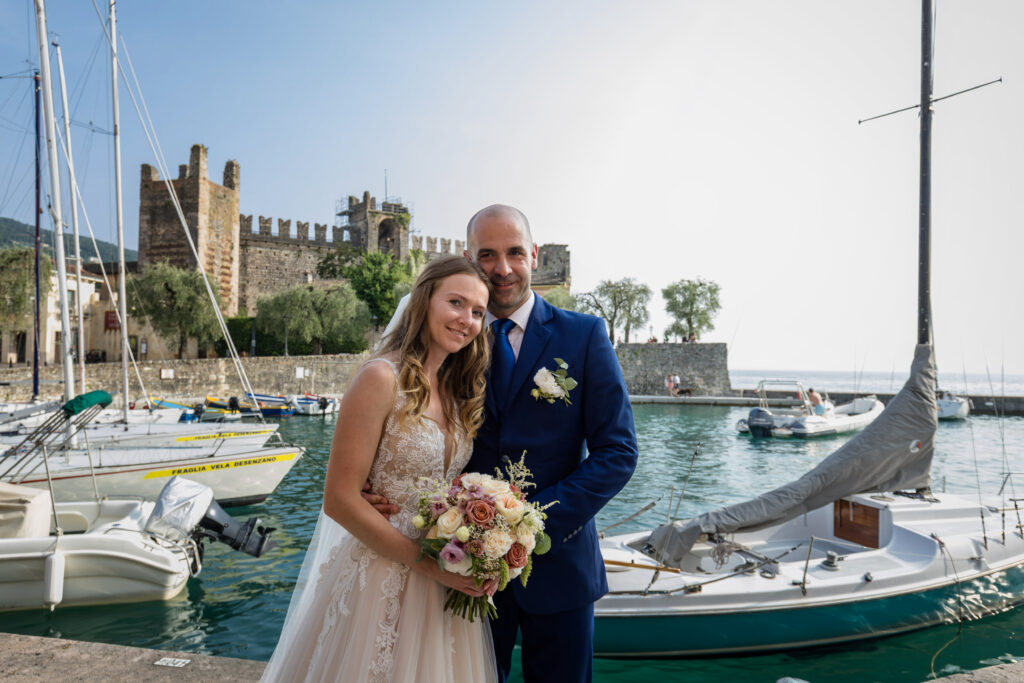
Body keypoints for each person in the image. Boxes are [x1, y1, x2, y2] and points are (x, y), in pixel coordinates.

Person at [374, 205, 638, 683]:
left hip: (561, 567)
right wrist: (379, 487)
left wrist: (529, 524)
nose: (503, 268)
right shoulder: (448, 342)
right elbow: (397, 418)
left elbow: (618, 452)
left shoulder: (584, 336)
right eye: (488, 255)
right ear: (468, 258)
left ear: (533, 254)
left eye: (515, 252)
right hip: (458, 568)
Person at [261, 255, 499, 683]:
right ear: (425, 302)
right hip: (380, 575)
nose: (467, 319)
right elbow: (339, 499)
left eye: (478, 312)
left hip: (444, 579)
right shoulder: (380, 378)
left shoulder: (456, 392)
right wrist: (428, 566)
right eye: (456, 303)